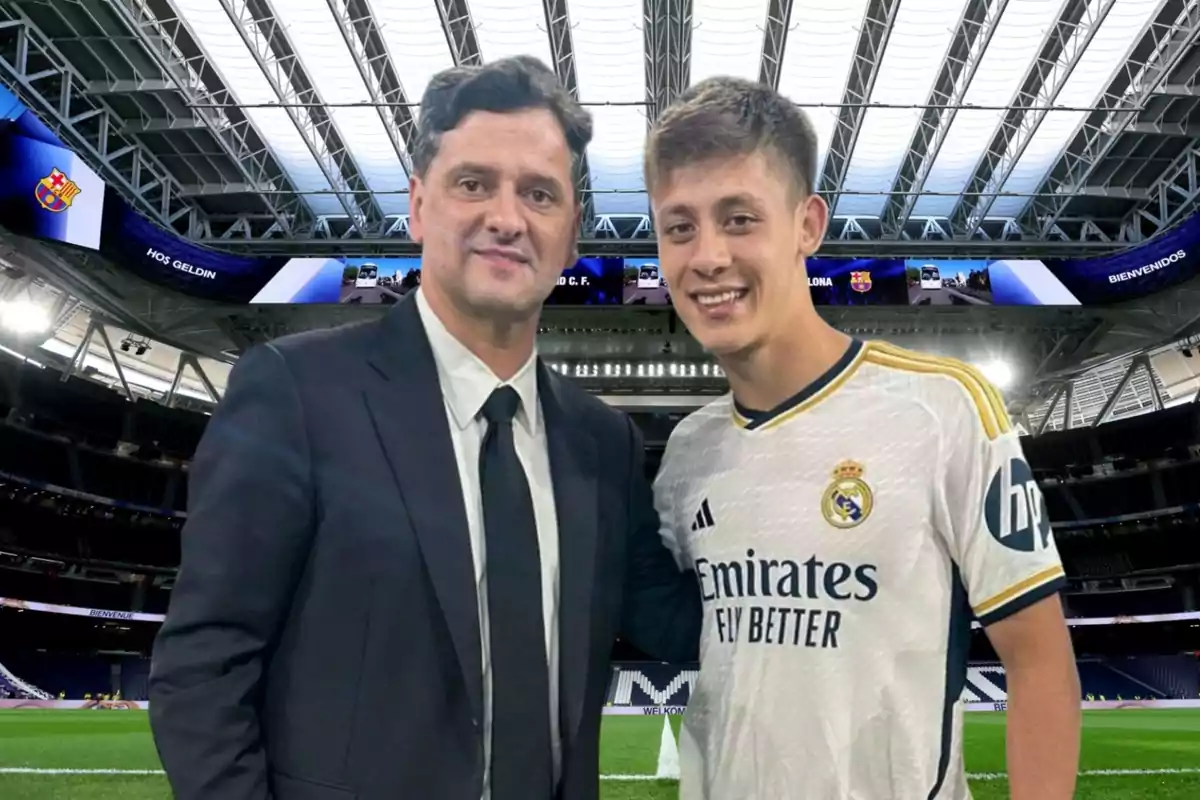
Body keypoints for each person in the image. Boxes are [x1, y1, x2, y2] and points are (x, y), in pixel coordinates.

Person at [148, 56, 701, 800]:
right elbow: (204, 665)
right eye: (473, 184)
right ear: (417, 205)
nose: (506, 218)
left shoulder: (601, 442)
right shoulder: (297, 392)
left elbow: (682, 623)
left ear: (572, 237)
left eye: (539, 194)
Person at [644, 76, 1081, 800]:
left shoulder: (943, 410)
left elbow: (1038, 663)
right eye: (679, 226)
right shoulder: (686, 457)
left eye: (740, 218)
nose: (708, 256)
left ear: (807, 225)